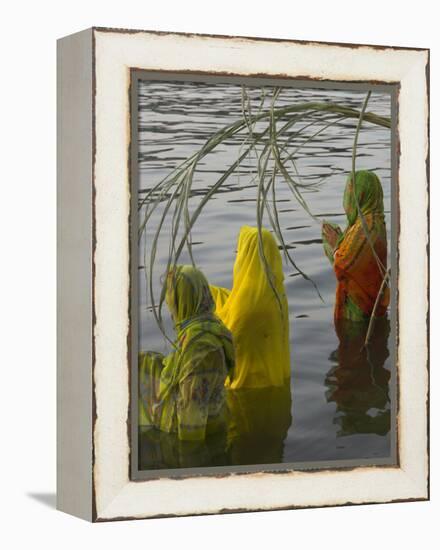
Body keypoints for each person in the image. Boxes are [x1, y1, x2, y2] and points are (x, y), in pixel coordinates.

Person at [138, 265, 234, 442]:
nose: (171, 310)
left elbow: (191, 423)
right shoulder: (207, 325)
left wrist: (186, 464)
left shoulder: (201, 350)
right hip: (213, 418)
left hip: (191, 434)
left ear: (184, 302)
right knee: (142, 361)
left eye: (172, 302)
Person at [210, 225, 291, 389]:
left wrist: (197, 292)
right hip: (276, 380)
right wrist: (211, 291)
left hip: (247, 387)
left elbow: (228, 333)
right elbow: (236, 301)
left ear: (247, 255)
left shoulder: (247, 306)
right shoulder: (276, 292)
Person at [322, 170, 390, 322]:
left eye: (351, 191)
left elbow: (344, 265)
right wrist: (341, 240)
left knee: (352, 344)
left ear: (360, 195)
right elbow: (358, 258)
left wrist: (334, 245)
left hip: (360, 314)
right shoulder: (374, 221)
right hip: (373, 307)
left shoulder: (367, 227)